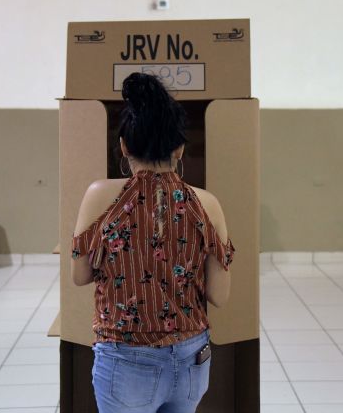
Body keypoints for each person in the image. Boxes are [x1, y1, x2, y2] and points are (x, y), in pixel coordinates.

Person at [71, 72, 234, 413]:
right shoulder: (207, 203)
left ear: (124, 146)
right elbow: (220, 296)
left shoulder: (100, 195)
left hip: (125, 359)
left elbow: (81, 275)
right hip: (192, 358)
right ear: (179, 149)